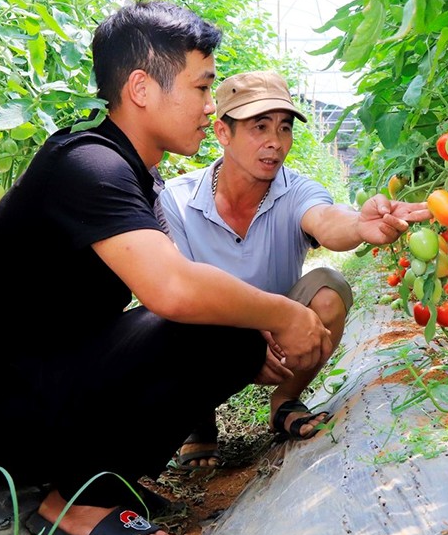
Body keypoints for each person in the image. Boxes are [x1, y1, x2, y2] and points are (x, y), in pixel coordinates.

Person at [0, 1, 335, 535]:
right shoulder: (89, 165)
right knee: (223, 327)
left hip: (48, 378)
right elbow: (172, 289)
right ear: (141, 88)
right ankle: (66, 500)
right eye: (202, 88)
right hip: (7, 412)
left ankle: (102, 476)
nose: (210, 108)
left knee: (229, 331)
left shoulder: (128, 171)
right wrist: (285, 313)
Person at [160, 70, 430, 467]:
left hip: (281, 335)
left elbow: (325, 218)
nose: (275, 142)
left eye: (284, 128)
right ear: (222, 133)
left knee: (329, 288)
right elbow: (179, 291)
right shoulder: (177, 199)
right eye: (259, 127)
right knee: (168, 314)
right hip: (210, 335)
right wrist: (244, 343)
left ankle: (285, 400)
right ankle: (199, 418)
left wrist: (359, 224)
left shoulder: (296, 189)